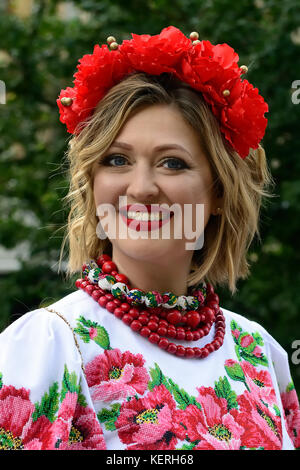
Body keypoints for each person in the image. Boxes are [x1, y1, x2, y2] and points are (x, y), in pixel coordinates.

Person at [0, 26, 299, 451]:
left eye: (172, 163)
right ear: (92, 181)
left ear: (218, 192)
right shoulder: (51, 347)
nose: (141, 188)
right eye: (117, 160)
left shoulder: (260, 354)